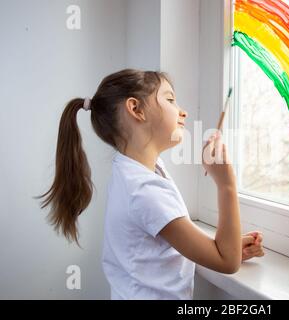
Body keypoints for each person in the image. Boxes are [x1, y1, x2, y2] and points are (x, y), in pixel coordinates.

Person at [36, 69, 264, 299]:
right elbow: (227, 262)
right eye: (170, 99)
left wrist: (227, 246)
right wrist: (226, 184)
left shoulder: (136, 171)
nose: (182, 111)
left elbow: (170, 241)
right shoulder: (145, 192)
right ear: (136, 109)